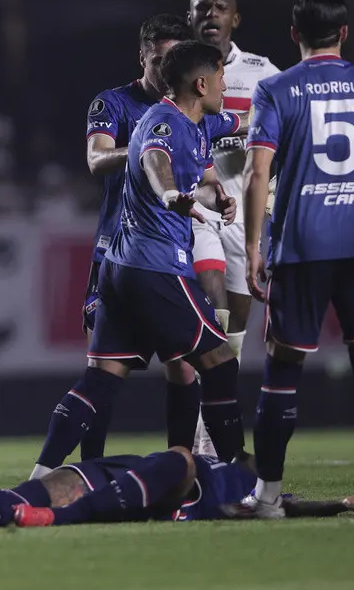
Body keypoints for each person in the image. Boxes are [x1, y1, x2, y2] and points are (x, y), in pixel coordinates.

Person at [27, 40, 244, 480]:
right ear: (201, 84)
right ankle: (233, 476)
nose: (226, 84)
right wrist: (168, 192)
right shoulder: (163, 122)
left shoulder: (201, 119)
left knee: (102, 377)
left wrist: (216, 192)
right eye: (221, 77)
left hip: (122, 268)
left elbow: (241, 126)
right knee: (221, 362)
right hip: (157, 265)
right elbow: (154, 160)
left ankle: (40, 476)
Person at [242, 0, 354, 520]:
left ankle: (269, 498)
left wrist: (253, 246)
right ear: (343, 33)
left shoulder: (274, 89)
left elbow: (257, 174)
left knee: (282, 368)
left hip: (301, 245)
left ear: (294, 34)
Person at [45, 14, 198, 474]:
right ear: (143, 57)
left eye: (175, 59)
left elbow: (237, 127)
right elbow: (95, 160)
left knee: (184, 366)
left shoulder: (191, 110)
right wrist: (150, 149)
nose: (166, 68)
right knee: (103, 372)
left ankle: (181, 467)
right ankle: (89, 468)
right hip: (114, 252)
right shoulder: (113, 103)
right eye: (158, 60)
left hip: (172, 252)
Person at [186, 0, 281, 457]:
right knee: (212, 312)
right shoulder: (178, 71)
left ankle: (209, 432)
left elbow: (289, 126)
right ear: (191, 18)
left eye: (220, 8)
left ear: (235, 19)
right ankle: (201, 440)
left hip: (247, 213)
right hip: (198, 209)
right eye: (202, 8)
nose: (211, 15)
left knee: (235, 328)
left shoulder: (262, 73)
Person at [0, 448, 354, 528]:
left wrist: (339, 504)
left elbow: (294, 506)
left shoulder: (259, 489)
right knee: (65, 479)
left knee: (179, 460)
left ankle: (52, 520)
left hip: (180, 493)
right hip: (136, 473)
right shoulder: (230, 458)